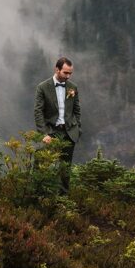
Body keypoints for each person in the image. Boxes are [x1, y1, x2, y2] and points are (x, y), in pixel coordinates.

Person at [34, 56, 81, 193]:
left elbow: (77, 110)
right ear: (57, 69)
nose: (68, 76)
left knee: (65, 169)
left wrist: (77, 129)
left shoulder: (73, 87)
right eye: (65, 72)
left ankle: (63, 201)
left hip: (68, 132)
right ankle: (38, 195)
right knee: (41, 162)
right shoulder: (43, 87)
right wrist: (43, 134)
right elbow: (38, 112)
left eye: (70, 73)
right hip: (50, 132)